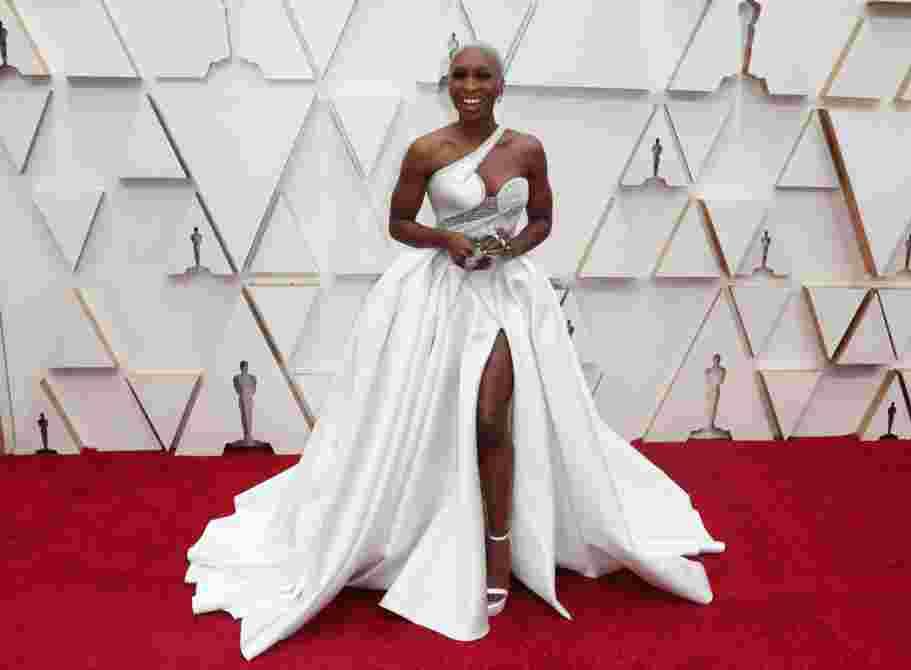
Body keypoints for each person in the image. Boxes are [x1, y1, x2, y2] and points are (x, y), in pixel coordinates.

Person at [184, 41, 725, 660]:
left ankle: (499, 547)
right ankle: (432, 529)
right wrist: (446, 239)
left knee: (493, 416)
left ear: (501, 84)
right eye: (459, 75)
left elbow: (542, 219)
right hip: (439, 297)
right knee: (429, 421)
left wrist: (510, 252)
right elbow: (398, 223)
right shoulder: (427, 150)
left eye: (482, 75)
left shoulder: (527, 149)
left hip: (507, 295)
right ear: (449, 83)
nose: (469, 84)